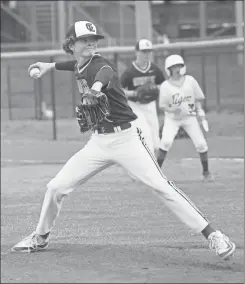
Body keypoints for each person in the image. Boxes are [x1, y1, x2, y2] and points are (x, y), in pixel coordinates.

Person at [11, 21, 235, 261]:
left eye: (94, 38)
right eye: (85, 39)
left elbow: (104, 72)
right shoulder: (80, 63)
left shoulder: (100, 63)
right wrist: (49, 65)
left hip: (127, 138)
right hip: (98, 143)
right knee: (56, 187)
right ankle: (41, 236)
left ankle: (214, 235)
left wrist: (96, 87)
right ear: (71, 44)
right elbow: (73, 65)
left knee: (161, 185)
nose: (91, 42)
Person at [157, 54, 212, 182]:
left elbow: (199, 98)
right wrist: (172, 109)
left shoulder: (190, 81)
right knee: (165, 142)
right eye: (174, 67)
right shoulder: (165, 85)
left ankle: (206, 172)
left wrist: (199, 111)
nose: (177, 69)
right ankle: (156, 173)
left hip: (189, 118)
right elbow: (162, 106)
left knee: (201, 144)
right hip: (172, 119)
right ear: (168, 69)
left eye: (179, 66)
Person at [120, 39, 165, 156]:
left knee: (156, 141)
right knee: (145, 134)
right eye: (143, 51)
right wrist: (134, 94)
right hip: (135, 106)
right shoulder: (130, 72)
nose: (147, 54)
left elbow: (163, 85)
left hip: (150, 105)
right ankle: (149, 166)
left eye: (148, 51)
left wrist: (156, 89)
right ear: (136, 52)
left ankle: (151, 164)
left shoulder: (154, 69)